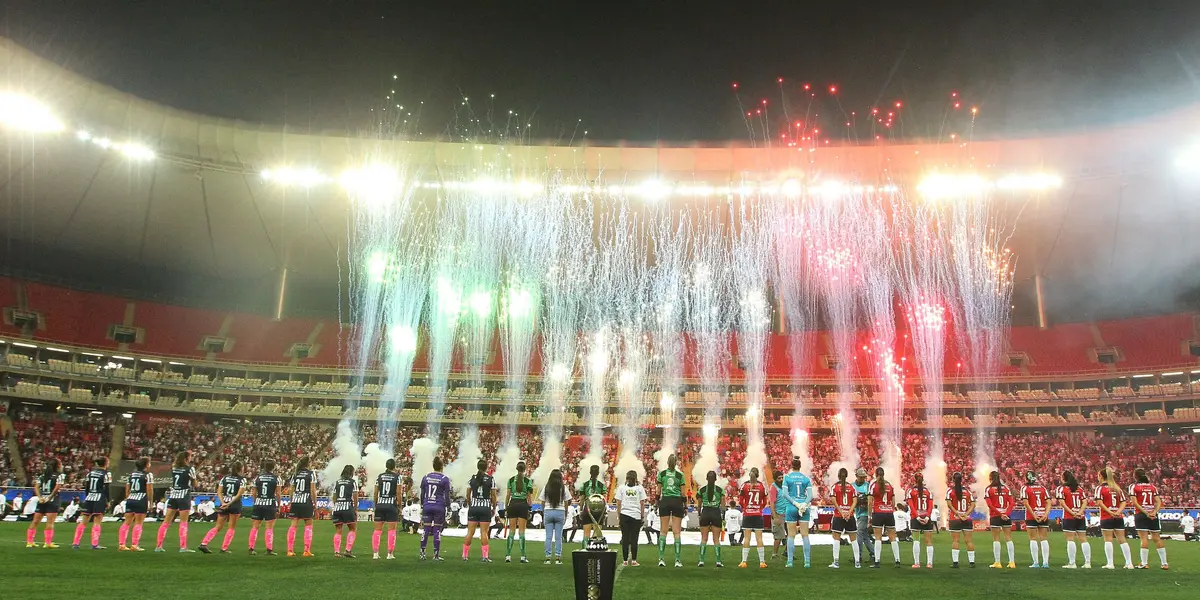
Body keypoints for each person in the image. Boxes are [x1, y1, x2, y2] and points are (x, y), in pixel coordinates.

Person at [198, 462, 246, 554]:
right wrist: (230, 503)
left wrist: (223, 502)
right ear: (241, 469)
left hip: (224, 503)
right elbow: (239, 494)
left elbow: (219, 492)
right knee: (231, 527)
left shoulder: (225, 478)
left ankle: (204, 543)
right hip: (235, 504)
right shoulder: (242, 479)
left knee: (218, 526)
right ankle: (224, 548)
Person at [156, 451, 198, 553]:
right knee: (183, 522)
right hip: (184, 496)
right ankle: (183, 547)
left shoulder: (174, 468)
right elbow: (195, 484)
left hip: (173, 496)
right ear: (186, 458)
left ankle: (158, 546)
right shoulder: (190, 469)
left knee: (166, 522)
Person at [1129, 467, 1168, 570]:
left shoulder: (1133, 486)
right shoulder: (1152, 487)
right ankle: (1164, 563)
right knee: (1157, 538)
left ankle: (1144, 563)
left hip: (1141, 514)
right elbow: (1159, 502)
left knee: (1144, 538)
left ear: (1135, 476)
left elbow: (1134, 502)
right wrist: (1154, 512)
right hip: (1153, 514)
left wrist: (1145, 512)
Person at [1094, 466, 1133, 569]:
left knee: (1108, 539)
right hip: (1118, 516)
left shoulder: (1100, 488)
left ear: (1101, 476)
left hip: (1106, 517)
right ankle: (1129, 563)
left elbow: (1099, 502)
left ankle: (1110, 563)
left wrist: (1110, 511)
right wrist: (1118, 511)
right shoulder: (1117, 488)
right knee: (1122, 539)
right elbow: (1124, 502)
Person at [780, 456, 815, 568]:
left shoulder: (787, 477)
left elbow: (785, 494)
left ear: (792, 466)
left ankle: (790, 561)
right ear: (800, 466)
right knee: (805, 535)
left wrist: (795, 504)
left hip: (791, 507)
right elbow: (810, 495)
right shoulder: (805, 478)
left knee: (791, 535)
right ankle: (807, 562)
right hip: (804, 507)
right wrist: (804, 504)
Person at [72, 456, 112, 550]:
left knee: (83, 521)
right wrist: (108, 500)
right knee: (97, 521)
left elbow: (86, 488)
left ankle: (76, 543)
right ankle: (95, 544)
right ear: (106, 463)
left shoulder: (90, 473)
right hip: (99, 498)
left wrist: (87, 497)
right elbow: (107, 488)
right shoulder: (106, 474)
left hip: (89, 497)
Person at [463, 458, 496, 562]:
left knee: (470, 532)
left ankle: (465, 555)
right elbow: (494, 496)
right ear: (486, 467)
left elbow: (468, 494)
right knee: (484, 532)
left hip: (474, 507)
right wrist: (494, 507)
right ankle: (485, 557)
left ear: (477, 467)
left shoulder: (472, 479)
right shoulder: (491, 479)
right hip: (485, 507)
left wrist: (470, 504)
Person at [656, 454, 686, 568]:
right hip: (677, 501)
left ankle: (661, 558)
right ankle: (677, 560)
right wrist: (685, 505)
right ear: (676, 463)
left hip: (665, 501)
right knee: (677, 532)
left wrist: (656, 503)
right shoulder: (680, 475)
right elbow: (683, 493)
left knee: (663, 531)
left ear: (667, 463)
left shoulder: (662, 474)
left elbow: (658, 491)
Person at [828, 467, 861, 569]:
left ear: (838, 475)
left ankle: (836, 562)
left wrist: (841, 512)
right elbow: (855, 501)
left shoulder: (834, 487)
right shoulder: (852, 487)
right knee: (853, 539)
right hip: (850, 516)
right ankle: (857, 562)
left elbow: (833, 500)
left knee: (836, 538)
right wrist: (849, 512)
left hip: (838, 516)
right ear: (847, 476)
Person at [26, 458, 63, 548]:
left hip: (42, 500)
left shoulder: (42, 475)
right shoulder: (60, 475)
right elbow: (57, 487)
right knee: (50, 522)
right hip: (52, 500)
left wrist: (39, 497)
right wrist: (50, 497)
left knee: (35, 521)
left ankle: (29, 542)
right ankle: (47, 543)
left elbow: (36, 487)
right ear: (58, 465)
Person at [420, 456, 452, 561]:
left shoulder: (425, 477)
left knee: (426, 529)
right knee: (437, 530)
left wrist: (422, 505)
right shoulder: (444, 479)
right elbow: (447, 496)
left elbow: (422, 493)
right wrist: (448, 507)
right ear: (442, 467)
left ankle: (422, 553)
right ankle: (436, 554)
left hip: (427, 505)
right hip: (439, 506)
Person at [868, 466, 900, 568]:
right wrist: (890, 508)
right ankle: (897, 560)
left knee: (878, 537)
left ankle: (877, 561)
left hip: (878, 512)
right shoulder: (889, 485)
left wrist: (870, 515)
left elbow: (870, 501)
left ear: (875, 474)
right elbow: (893, 500)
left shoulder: (873, 485)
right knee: (893, 537)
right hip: (889, 512)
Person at [247, 459, 281, 556]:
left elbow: (253, 493)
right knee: (269, 527)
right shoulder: (276, 478)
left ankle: (251, 548)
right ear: (273, 467)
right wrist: (278, 506)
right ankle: (269, 549)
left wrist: (256, 502)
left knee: (255, 527)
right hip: (270, 504)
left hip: (258, 503)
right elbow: (278, 494)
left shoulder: (258, 477)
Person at [286, 456, 318, 557]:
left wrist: (291, 501)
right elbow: (313, 490)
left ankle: (290, 550)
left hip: (296, 501)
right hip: (306, 501)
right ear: (308, 463)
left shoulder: (295, 474)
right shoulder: (311, 474)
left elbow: (291, 489)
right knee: (308, 525)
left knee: (293, 525)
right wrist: (315, 503)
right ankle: (306, 550)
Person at [118, 457, 152, 551]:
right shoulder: (148, 475)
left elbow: (127, 489)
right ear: (146, 465)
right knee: (138, 523)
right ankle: (134, 545)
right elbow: (149, 489)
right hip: (141, 499)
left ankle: (122, 544)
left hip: (130, 499)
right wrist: (150, 501)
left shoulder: (131, 475)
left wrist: (128, 497)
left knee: (126, 522)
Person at [984, 470, 1016, 569]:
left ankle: (998, 562)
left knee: (996, 539)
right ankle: (1012, 562)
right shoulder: (1006, 488)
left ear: (990, 478)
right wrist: (1005, 513)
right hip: (1006, 516)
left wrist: (999, 514)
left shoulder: (988, 489)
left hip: (995, 515)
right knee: (1008, 538)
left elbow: (989, 505)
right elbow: (1011, 503)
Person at [738, 466, 769, 569]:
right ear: (758, 475)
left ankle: (743, 561)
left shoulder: (744, 486)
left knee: (747, 538)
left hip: (747, 514)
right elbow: (765, 501)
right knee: (759, 539)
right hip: (758, 515)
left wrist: (746, 508)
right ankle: (762, 562)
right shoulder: (762, 486)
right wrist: (759, 508)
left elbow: (740, 501)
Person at [504, 460, 534, 563]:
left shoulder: (511, 480)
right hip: (522, 505)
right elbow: (529, 497)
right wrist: (530, 508)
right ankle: (522, 556)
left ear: (517, 469)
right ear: (525, 469)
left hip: (512, 504)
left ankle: (508, 555)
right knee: (522, 532)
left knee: (511, 531)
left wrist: (506, 507)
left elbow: (508, 495)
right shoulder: (528, 481)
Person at [371, 458, 402, 560]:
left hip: (380, 504)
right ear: (394, 466)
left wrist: (376, 504)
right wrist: (399, 505)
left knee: (377, 530)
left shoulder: (379, 476)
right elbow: (398, 493)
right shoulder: (397, 477)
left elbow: (375, 493)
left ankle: (375, 554)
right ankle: (390, 554)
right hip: (391, 505)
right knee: (391, 530)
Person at [615, 469, 647, 567]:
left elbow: (618, 503)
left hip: (624, 514)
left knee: (625, 538)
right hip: (636, 515)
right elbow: (642, 503)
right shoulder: (639, 488)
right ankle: (634, 560)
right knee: (634, 538)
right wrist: (642, 515)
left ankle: (625, 560)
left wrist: (619, 515)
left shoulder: (621, 488)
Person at [1021, 470, 1052, 568]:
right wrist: (1045, 514)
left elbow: (1026, 503)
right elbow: (1049, 502)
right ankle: (1046, 562)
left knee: (1033, 539)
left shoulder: (1025, 488)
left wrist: (1034, 515)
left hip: (1031, 516)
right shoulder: (1042, 488)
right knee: (1044, 539)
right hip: (1043, 514)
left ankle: (1036, 562)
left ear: (1026, 478)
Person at [946, 471, 976, 568]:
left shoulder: (950, 491)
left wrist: (957, 514)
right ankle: (972, 562)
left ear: (953, 480)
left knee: (955, 541)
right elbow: (973, 504)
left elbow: (949, 505)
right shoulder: (968, 491)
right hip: (967, 518)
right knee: (969, 541)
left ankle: (955, 562)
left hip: (955, 518)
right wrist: (966, 514)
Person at [541, 468, 571, 564]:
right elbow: (566, 502)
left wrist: (544, 510)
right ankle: (558, 558)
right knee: (558, 537)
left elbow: (542, 500)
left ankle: (548, 558)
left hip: (548, 511)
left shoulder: (546, 487)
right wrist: (565, 513)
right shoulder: (563, 488)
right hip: (560, 511)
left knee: (548, 536)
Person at [696, 470, 725, 567]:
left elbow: (699, 505)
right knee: (716, 539)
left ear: (706, 479)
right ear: (716, 479)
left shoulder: (702, 490)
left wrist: (700, 514)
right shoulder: (720, 490)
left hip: (706, 512)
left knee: (704, 538)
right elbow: (723, 506)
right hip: (716, 513)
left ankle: (701, 560)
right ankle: (718, 561)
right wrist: (723, 516)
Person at [906, 472, 935, 568]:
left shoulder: (911, 491)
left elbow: (911, 506)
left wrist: (917, 516)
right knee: (929, 541)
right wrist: (927, 517)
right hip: (926, 517)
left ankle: (917, 563)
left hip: (915, 517)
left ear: (914, 480)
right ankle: (929, 563)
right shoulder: (928, 492)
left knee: (916, 540)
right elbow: (930, 506)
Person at [332, 464, 358, 558]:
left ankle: (337, 552)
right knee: (352, 528)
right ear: (351, 472)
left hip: (338, 507)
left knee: (338, 530)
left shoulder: (338, 482)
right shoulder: (352, 482)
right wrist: (355, 508)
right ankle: (348, 550)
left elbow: (334, 496)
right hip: (347, 506)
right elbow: (355, 496)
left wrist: (336, 505)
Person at [852, 468, 876, 564]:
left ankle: (858, 555)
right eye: (861, 477)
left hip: (865, 513)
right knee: (865, 536)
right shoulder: (852, 486)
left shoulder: (868, 486)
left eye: (864, 477)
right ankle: (873, 554)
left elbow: (871, 499)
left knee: (859, 533)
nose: (863, 479)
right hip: (857, 512)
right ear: (856, 476)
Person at [578, 464, 606, 546]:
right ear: (598, 473)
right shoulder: (601, 485)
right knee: (596, 534)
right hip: (599, 511)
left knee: (586, 534)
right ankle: (595, 552)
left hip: (587, 509)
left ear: (590, 472)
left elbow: (582, 499)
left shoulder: (585, 484)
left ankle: (584, 551)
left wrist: (580, 510)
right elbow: (604, 500)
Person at [769, 472, 786, 561]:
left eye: (782, 477)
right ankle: (774, 554)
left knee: (792, 533)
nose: (781, 480)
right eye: (779, 478)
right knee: (778, 537)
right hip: (778, 514)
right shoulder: (773, 488)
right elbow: (771, 503)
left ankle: (786, 551)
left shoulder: (784, 486)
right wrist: (775, 516)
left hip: (786, 513)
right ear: (775, 479)